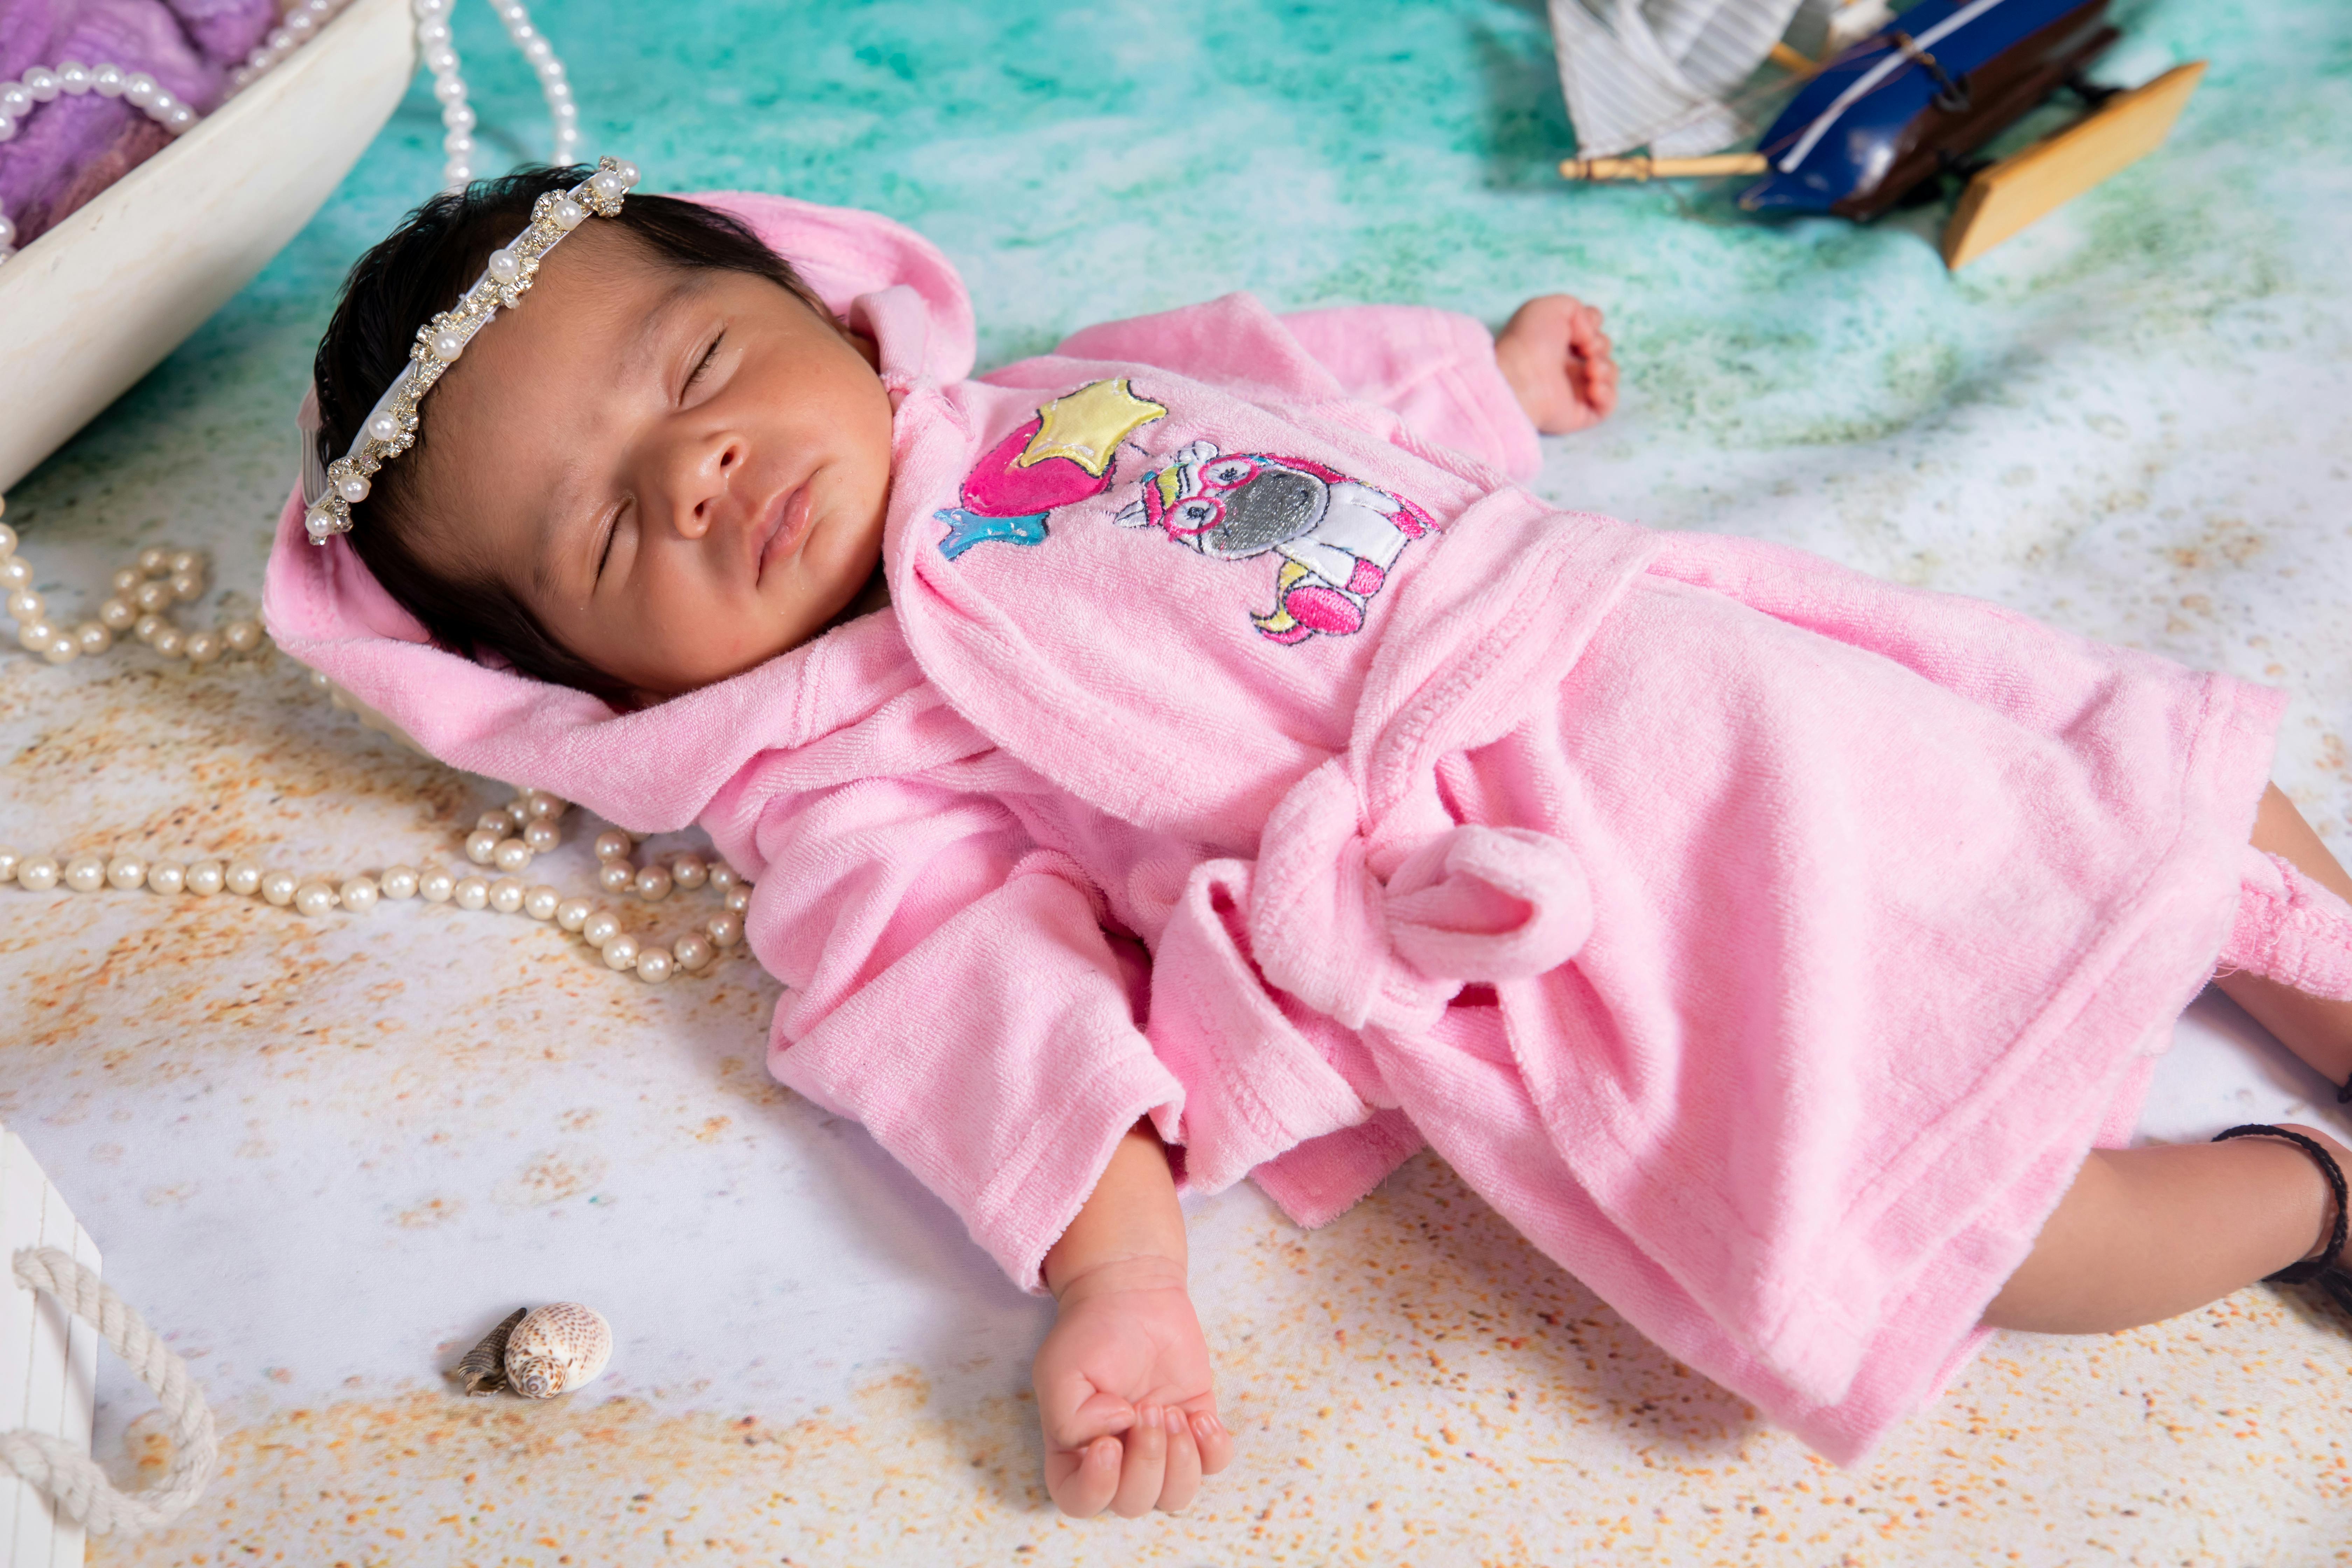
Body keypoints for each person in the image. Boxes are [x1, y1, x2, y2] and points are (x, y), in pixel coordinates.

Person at [264, 163, 2352, 1519]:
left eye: (698, 367)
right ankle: (2307, 1194)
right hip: (1527, 942)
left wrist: (1484, 380)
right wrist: (1119, 1276)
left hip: (1652, 663)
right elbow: (966, 1006)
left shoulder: (1062, 402)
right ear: (590, 693)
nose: (702, 467)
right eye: (618, 528)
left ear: (815, 300)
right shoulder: (838, 783)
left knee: (2151, 787)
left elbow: (1289, 389)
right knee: (1973, 1240)